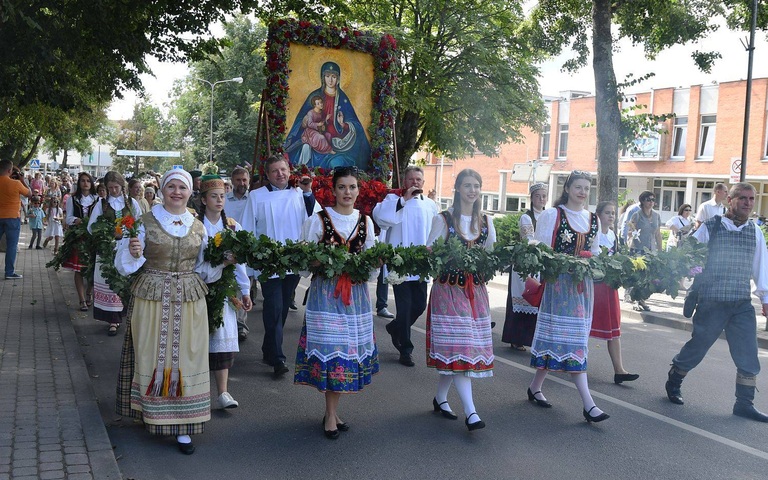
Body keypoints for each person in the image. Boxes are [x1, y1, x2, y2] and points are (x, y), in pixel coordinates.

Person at [115, 169, 228, 454]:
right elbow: (125, 263)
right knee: (151, 353)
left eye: (182, 187)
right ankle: (151, 414)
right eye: (171, 187)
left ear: (191, 192)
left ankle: (183, 425)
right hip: (152, 294)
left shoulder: (200, 226)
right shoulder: (144, 221)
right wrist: (133, 250)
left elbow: (204, 268)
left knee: (188, 358)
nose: (177, 192)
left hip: (189, 298)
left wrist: (224, 262)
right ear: (163, 190)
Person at [666, 183, 768, 423]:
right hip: (712, 301)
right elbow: (688, 256)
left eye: (751, 199)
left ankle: (744, 404)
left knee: (748, 354)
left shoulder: (754, 232)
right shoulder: (710, 227)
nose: (748, 203)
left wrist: (765, 299)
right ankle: (674, 379)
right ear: (729, 200)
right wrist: (696, 271)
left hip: (741, 303)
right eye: (742, 198)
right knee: (698, 347)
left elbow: (760, 269)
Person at [294, 166, 379, 439]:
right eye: (342, 187)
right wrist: (318, 260)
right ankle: (330, 414)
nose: (347, 192)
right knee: (334, 351)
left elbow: (371, 266)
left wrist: (373, 263)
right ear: (333, 190)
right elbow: (303, 262)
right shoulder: (318, 220)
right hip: (326, 296)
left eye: (352, 187)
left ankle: (333, 411)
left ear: (358, 190)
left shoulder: (365, 222)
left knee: (345, 354)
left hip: (355, 297)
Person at [527, 170, 609, 423]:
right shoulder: (554, 214)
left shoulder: (592, 219)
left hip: (582, 288)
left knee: (565, 340)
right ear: (568, 188)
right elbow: (541, 251)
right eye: (578, 187)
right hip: (559, 286)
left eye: (586, 188)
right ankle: (588, 404)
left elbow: (594, 251)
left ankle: (534, 387)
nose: (583, 192)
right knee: (572, 343)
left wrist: (591, 262)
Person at [426, 169, 495, 431]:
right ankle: (471, 412)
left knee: (459, 349)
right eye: (467, 185)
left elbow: (490, 256)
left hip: (475, 292)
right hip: (449, 291)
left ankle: (441, 397)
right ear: (457, 188)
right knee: (461, 349)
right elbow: (431, 252)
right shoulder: (443, 219)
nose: (472, 190)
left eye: (476, 185)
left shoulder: (486, 221)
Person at [240, 155, 318, 377]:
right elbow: (247, 228)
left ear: (289, 171)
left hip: (293, 262)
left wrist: (307, 193)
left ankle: (269, 348)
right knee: (273, 307)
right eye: (275, 171)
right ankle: (278, 358)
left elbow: (316, 218)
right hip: (268, 263)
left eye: (283, 170)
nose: (280, 174)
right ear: (267, 175)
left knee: (283, 307)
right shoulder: (256, 197)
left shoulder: (299, 194)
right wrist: (251, 262)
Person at [373, 166, 438, 367]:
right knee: (405, 306)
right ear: (404, 182)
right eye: (411, 179)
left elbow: (436, 231)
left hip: (420, 264)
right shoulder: (393, 201)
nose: (415, 183)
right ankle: (406, 349)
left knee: (419, 305)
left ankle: (394, 328)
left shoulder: (430, 205)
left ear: (423, 182)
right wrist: (403, 200)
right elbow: (381, 219)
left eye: (418, 179)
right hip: (400, 263)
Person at [197, 174, 253, 410]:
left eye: (222, 196)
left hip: (224, 290)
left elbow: (239, 263)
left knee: (221, 339)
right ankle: (197, 393)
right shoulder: (195, 226)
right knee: (198, 341)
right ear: (203, 199)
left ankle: (223, 393)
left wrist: (245, 290)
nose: (219, 200)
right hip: (198, 289)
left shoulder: (231, 226)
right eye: (213, 196)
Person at [283, 62, 371, 170]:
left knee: (337, 165)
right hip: (315, 141)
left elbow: (355, 124)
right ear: (322, 77)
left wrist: (343, 124)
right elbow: (301, 120)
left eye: (333, 77)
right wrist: (304, 123)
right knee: (304, 155)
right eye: (327, 76)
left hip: (337, 145)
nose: (330, 80)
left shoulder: (343, 99)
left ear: (338, 79)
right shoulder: (314, 96)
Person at [589, 201, 639, 384]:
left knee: (614, 328)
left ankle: (619, 370)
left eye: (612, 213)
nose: (611, 216)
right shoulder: (592, 234)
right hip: (594, 285)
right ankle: (574, 361)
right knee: (585, 326)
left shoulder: (613, 235)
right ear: (599, 215)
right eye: (607, 213)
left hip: (609, 286)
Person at [87, 171, 142, 336]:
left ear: (122, 186)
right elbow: (91, 227)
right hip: (107, 249)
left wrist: (131, 233)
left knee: (125, 280)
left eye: (116, 187)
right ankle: (113, 320)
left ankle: (126, 316)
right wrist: (109, 232)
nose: (114, 191)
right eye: (110, 188)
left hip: (126, 248)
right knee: (110, 281)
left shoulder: (132, 203)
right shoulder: (101, 204)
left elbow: (140, 224)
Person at [502, 182, 548, 351]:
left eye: (544, 196)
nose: (541, 199)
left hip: (541, 263)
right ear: (532, 198)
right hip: (527, 263)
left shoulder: (548, 215)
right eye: (538, 196)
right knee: (524, 298)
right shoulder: (527, 217)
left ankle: (532, 338)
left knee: (537, 302)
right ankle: (516, 337)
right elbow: (529, 239)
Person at [225, 167, 253, 341]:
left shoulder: (253, 199)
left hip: (246, 248)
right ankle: (227, 322)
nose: (241, 183)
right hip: (226, 247)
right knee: (228, 285)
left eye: (244, 180)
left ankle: (241, 324)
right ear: (232, 180)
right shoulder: (225, 199)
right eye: (238, 180)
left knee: (244, 282)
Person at [64, 172, 98, 311]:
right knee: (79, 270)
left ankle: (89, 292)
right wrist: (76, 220)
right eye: (83, 181)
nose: (85, 183)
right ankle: (82, 299)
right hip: (79, 236)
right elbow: (68, 218)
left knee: (93, 268)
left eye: (88, 181)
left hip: (93, 237)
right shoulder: (73, 199)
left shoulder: (97, 199)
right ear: (79, 183)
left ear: (91, 183)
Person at [626, 190, 662, 311]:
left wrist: (660, 250)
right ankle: (635, 300)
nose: (651, 202)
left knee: (647, 276)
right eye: (648, 200)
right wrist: (632, 236)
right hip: (638, 249)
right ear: (642, 201)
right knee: (637, 275)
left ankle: (642, 300)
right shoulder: (636, 215)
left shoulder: (656, 215)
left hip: (651, 249)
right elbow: (630, 231)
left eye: (653, 200)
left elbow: (658, 234)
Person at [0, 160, 31, 279]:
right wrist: (22, 180)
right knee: (11, 246)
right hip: (13, 217)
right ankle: (9, 272)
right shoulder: (16, 183)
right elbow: (29, 194)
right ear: (9, 170)